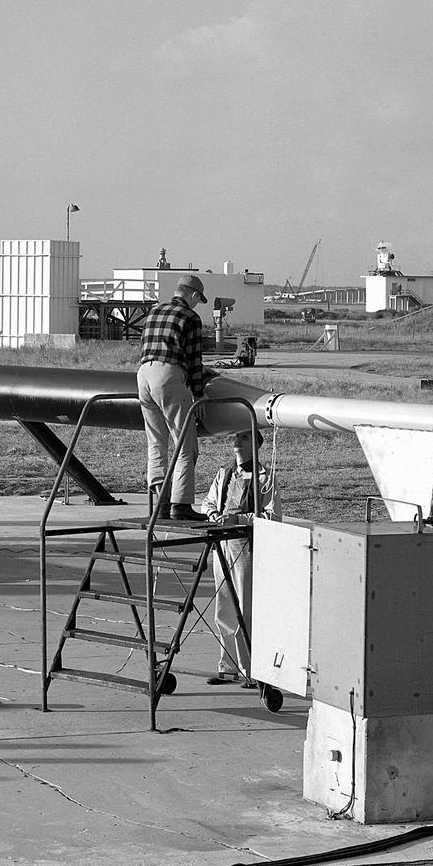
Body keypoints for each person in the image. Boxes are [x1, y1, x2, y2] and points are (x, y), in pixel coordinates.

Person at [137, 273, 209, 522]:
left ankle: (161, 502)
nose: (198, 303)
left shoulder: (153, 312)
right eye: (199, 299)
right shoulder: (190, 317)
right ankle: (181, 504)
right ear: (192, 295)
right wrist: (199, 393)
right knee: (184, 444)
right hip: (167, 376)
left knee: (156, 443)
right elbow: (193, 359)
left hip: (143, 375)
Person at [204, 430, 272, 685]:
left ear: (255, 444)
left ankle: (251, 669)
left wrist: (240, 519)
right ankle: (228, 666)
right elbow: (208, 502)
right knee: (224, 606)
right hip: (222, 543)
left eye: (243, 438)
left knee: (246, 607)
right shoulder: (224, 473)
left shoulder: (265, 477)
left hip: (246, 546)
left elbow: (272, 515)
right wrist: (214, 516)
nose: (236, 442)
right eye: (235, 437)